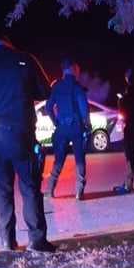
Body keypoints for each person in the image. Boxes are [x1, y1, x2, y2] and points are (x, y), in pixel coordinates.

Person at [0, 35, 56, 253]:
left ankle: (8, 242)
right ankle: (37, 242)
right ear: (10, 45)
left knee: (1, 191)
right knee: (30, 188)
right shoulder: (25, 60)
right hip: (21, 136)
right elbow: (45, 92)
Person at [44, 59, 91, 201]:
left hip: (61, 128)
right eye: (77, 68)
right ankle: (79, 192)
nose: (78, 71)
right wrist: (87, 126)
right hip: (76, 127)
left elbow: (48, 107)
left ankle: (49, 190)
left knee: (58, 159)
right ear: (72, 69)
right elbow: (84, 109)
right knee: (79, 159)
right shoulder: (77, 88)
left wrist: (55, 121)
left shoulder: (56, 87)